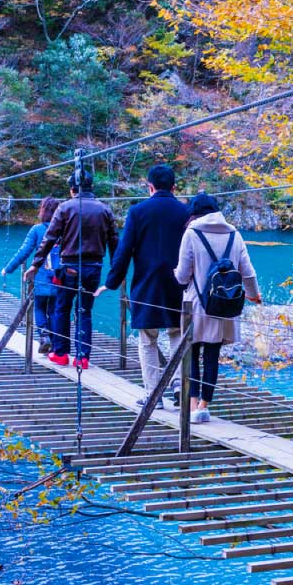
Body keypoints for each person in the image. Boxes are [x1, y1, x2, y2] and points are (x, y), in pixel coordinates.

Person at [99, 164, 189, 407]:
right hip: (179, 283)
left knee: (147, 339)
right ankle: (181, 385)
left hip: (147, 284)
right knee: (177, 334)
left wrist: (112, 281)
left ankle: (153, 394)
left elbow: (124, 250)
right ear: (174, 187)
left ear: (149, 187)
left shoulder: (138, 211)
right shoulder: (186, 212)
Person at [173, 193, 261, 423]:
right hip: (223, 304)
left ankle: (191, 406)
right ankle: (204, 406)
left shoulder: (191, 233)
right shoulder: (234, 234)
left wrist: (174, 274)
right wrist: (253, 295)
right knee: (212, 354)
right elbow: (248, 271)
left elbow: (182, 275)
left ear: (194, 212)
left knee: (191, 352)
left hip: (196, 304)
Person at [25, 172, 118, 370]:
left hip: (69, 268)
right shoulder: (105, 210)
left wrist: (36, 263)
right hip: (94, 267)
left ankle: (60, 353)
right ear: (91, 186)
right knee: (84, 312)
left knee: (62, 309)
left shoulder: (65, 207)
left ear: (72, 189)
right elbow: (114, 242)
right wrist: (116, 271)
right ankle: (82, 358)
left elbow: (49, 238)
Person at [3, 197, 63, 357]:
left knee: (39, 307)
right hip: (60, 279)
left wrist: (8, 269)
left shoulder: (36, 230)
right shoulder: (65, 230)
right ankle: (56, 344)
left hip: (42, 278)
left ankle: (44, 336)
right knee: (54, 310)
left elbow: (24, 252)